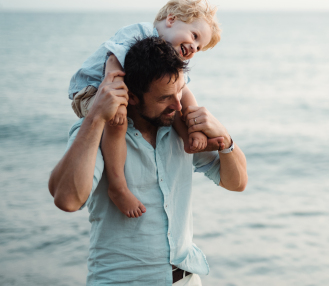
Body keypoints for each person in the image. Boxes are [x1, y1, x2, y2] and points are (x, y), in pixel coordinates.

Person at [49, 37, 247, 285]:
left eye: (180, 92)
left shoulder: (180, 127)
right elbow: (67, 199)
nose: (177, 105)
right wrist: (96, 117)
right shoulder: (96, 132)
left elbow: (236, 183)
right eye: (165, 98)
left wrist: (226, 139)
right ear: (131, 96)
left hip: (186, 279)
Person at [69, 0, 220, 218]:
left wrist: (195, 125)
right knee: (116, 122)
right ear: (171, 19)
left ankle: (191, 136)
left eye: (199, 46)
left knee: (181, 91)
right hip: (92, 89)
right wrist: (116, 102)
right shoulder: (139, 32)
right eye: (194, 36)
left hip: (123, 88)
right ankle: (118, 187)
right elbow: (113, 64)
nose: (193, 47)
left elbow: (183, 90)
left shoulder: (169, 57)